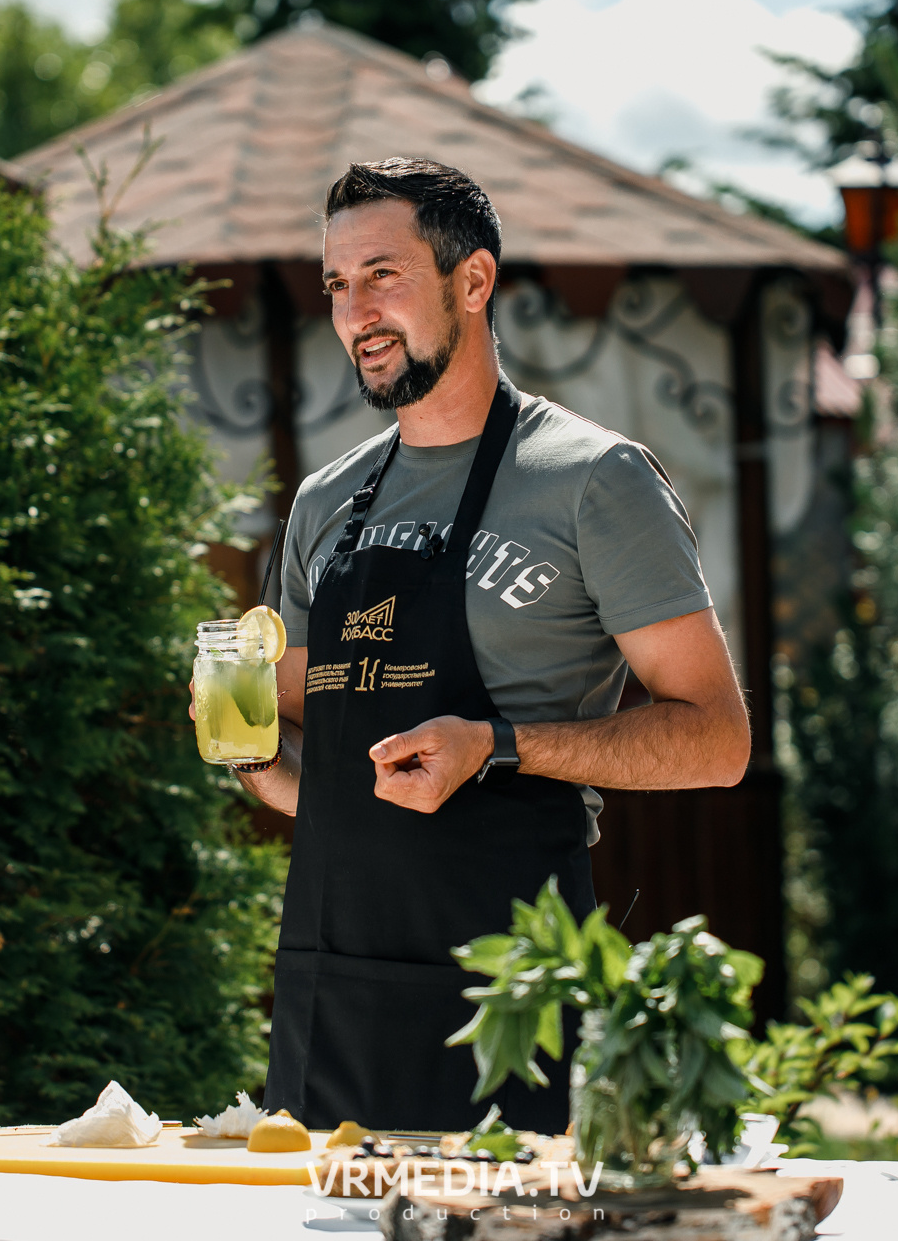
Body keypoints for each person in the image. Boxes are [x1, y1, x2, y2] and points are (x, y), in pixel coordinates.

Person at [233, 158, 752, 1133]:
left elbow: (718, 739)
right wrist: (239, 742)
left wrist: (500, 745)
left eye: (382, 274)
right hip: (329, 998)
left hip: (507, 1000)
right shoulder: (324, 502)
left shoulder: (595, 480)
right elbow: (298, 746)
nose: (356, 313)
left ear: (473, 280)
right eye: (337, 286)